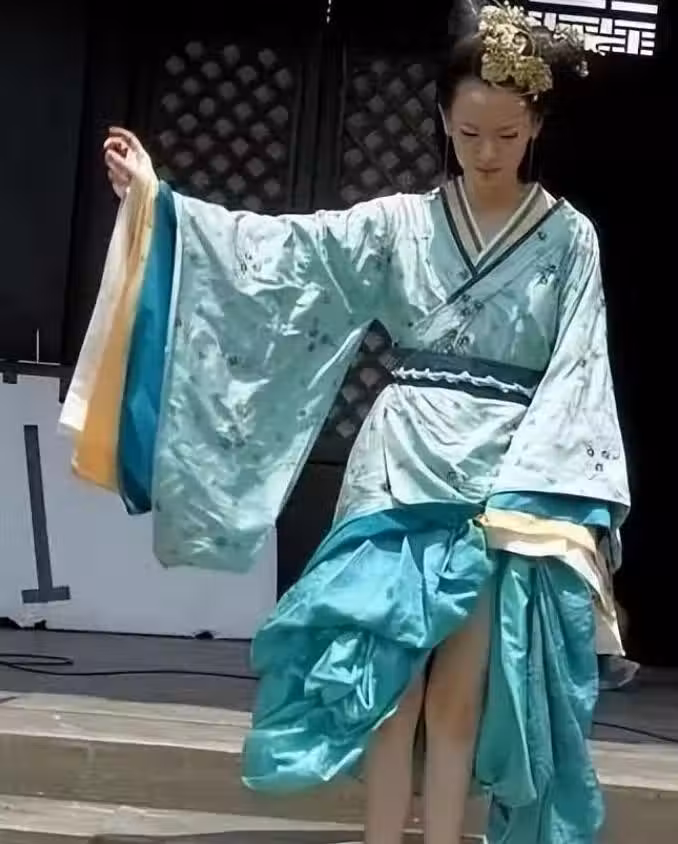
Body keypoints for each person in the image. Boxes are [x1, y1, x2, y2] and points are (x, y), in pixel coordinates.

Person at [64, 2, 631, 842]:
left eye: (507, 136)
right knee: (388, 681)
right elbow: (280, 254)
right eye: (469, 133)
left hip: (503, 475)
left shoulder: (570, 239)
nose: (486, 152)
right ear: (443, 119)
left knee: (461, 693)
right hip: (398, 465)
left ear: (536, 127)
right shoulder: (399, 224)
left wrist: (544, 493)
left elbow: (580, 365)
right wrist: (162, 206)